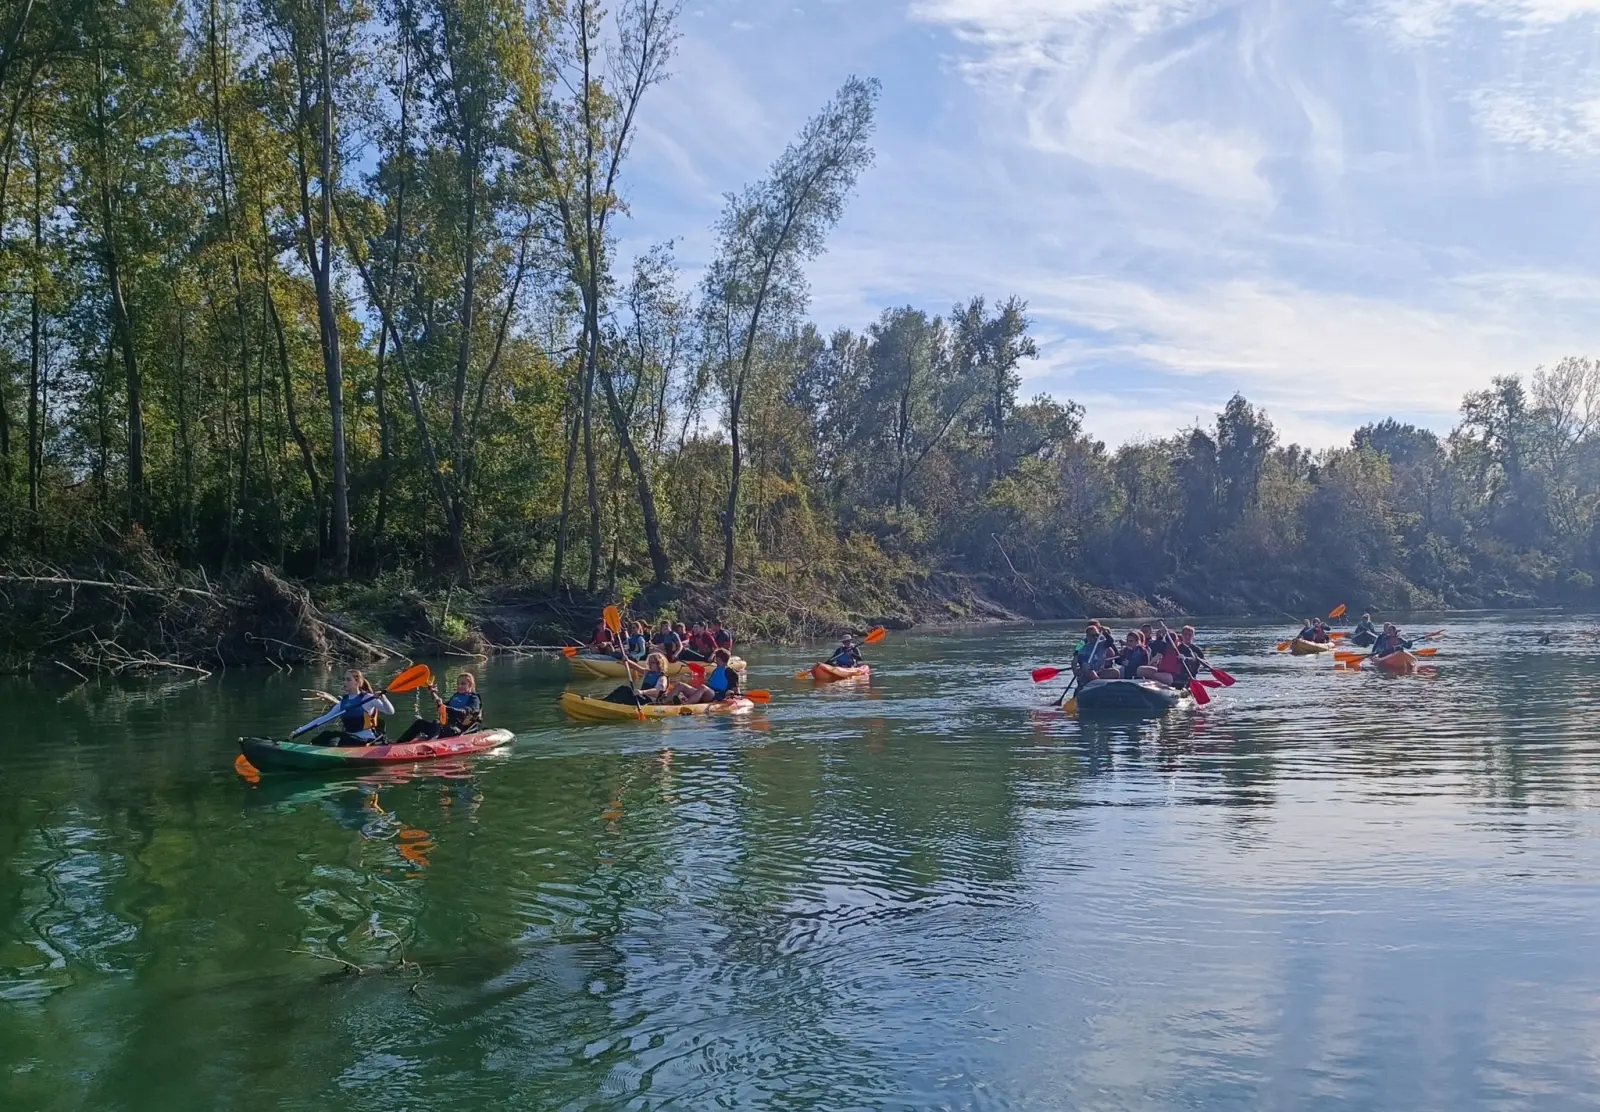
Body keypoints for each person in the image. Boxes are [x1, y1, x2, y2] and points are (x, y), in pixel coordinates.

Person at [297, 669, 396, 747]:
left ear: (357, 682)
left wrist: (383, 698)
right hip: (350, 738)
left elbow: (390, 712)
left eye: (348, 680)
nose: (345, 682)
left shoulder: (368, 698)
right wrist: (300, 730)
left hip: (366, 740)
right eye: (344, 679)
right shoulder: (342, 703)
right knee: (325, 736)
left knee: (334, 739)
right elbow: (324, 719)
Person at [394, 672, 482, 745]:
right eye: (458, 683)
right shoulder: (455, 696)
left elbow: (469, 711)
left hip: (458, 730)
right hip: (445, 728)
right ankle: (398, 744)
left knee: (438, 724)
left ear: (470, 684)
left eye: (463, 684)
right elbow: (442, 707)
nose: (459, 686)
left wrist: (447, 708)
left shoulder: (474, 698)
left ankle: (432, 743)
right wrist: (434, 694)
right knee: (419, 723)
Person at [675, 649, 743, 705]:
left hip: (718, 695)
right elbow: (709, 684)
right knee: (680, 685)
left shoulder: (731, 672)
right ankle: (665, 700)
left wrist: (737, 696)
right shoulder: (716, 670)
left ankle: (685, 704)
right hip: (708, 693)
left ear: (720, 659)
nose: (715, 661)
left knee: (702, 687)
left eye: (717, 658)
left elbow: (736, 689)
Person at [605, 652, 672, 705]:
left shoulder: (662, 678)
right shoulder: (647, 672)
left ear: (659, 663)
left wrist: (642, 692)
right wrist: (627, 660)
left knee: (626, 690)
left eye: (652, 662)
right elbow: (635, 667)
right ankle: (607, 702)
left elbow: (658, 690)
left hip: (649, 702)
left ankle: (608, 703)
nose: (649, 664)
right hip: (642, 697)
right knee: (623, 689)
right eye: (649, 662)